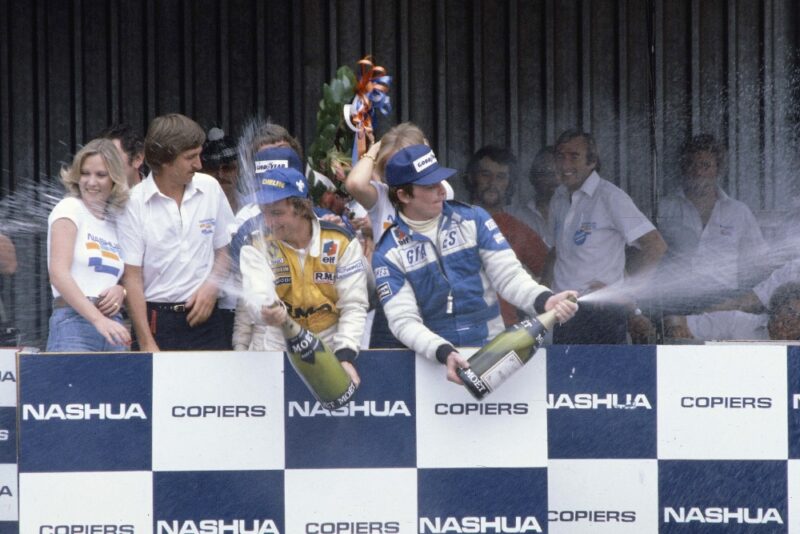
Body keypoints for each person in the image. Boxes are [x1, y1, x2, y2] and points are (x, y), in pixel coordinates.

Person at [372, 144, 578, 384]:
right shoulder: (387, 253)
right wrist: (443, 352)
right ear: (404, 195)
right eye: (430, 186)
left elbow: (509, 277)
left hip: (493, 350)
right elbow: (403, 321)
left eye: (440, 181)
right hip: (435, 363)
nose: (441, 190)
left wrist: (544, 299)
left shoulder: (474, 219)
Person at [235, 167, 367, 385]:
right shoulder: (255, 243)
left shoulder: (340, 241)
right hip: (276, 346)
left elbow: (354, 304)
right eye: (263, 212)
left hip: (333, 345)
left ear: (302, 208)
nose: (267, 221)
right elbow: (256, 293)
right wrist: (264, 309)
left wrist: (344, 356)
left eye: (276, 213)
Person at [118, 113, 235, 351]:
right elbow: (132, 277)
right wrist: (146, 341)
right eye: (190, 157)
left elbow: (226, 250)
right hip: (157, 321)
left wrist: (212, 287)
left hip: (207, 318)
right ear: (164, 160)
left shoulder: (210, 188)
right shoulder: (134, 202)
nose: (199, 165)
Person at [547, 129, 666, 344]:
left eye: (574, 157)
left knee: (602, 377)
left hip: (600, 311)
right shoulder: (559, 197)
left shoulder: (610, 197)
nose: (565, 164)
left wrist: (625, 294)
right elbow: (557, 252)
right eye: (560, 156)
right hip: (562, 311)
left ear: (591, 162)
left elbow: (656, 246)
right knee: (564, 377)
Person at [658, 134, 768, 306]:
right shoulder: (664, 208)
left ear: (718, 170)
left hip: (722, 301)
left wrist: (745, 301)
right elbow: (648, 254)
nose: (698, 172)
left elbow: (758, 261)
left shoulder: (738, 212)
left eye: (705, 165)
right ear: (683, 167)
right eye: (692, 164)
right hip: (675, 298)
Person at [46, 139, 131, 351]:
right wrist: (98, 320)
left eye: (101, 175)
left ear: (114, 179)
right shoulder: (69, 208)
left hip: (113, 325)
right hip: (73, 323)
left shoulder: (115, 220)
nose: (91, 182)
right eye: (85, 173)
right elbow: (58, 274)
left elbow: (126, 276)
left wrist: (122, 291)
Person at [463, 145, 548, 325]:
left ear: (509, 183)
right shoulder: (452, 220)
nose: (493, 182)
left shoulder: (518, 230)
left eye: (501, 177)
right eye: (486, 174)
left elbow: (551, 266)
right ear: (471, 177)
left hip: (504, 332)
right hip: (457, 330)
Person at [664, 281, 800, 342]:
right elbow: (675, 320)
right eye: (790, 311)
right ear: (777, 307)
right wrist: (676, 328)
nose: (793, 320)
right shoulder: (737, 321)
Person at [509, 146, 559, 248]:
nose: (554, 179)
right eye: (546, 172)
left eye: (559, 173)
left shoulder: (579, 215)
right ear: (533, 177)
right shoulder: (515, 216)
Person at [201, 127, 240, 213]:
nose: (220, 175)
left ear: (239, 170)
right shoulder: (192, 209)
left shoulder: (252, 206)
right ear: (202, 172)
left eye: (227, 168)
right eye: (212, 168)